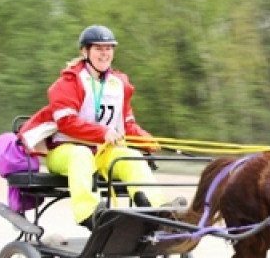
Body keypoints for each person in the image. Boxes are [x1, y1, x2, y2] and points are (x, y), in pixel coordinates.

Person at [19, 25, 167, 230]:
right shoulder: (68, 82)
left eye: (109, 49)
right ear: (84, 51)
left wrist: (146, 139)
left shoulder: (119, 84)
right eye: (98, 48)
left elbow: (126, 124)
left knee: (132, 157)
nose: (104, 54)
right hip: (65, 152)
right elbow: (67, 123)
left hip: (102, 152)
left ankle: (156, 210)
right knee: (81, 154)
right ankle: (89, 214)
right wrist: (103, 132)